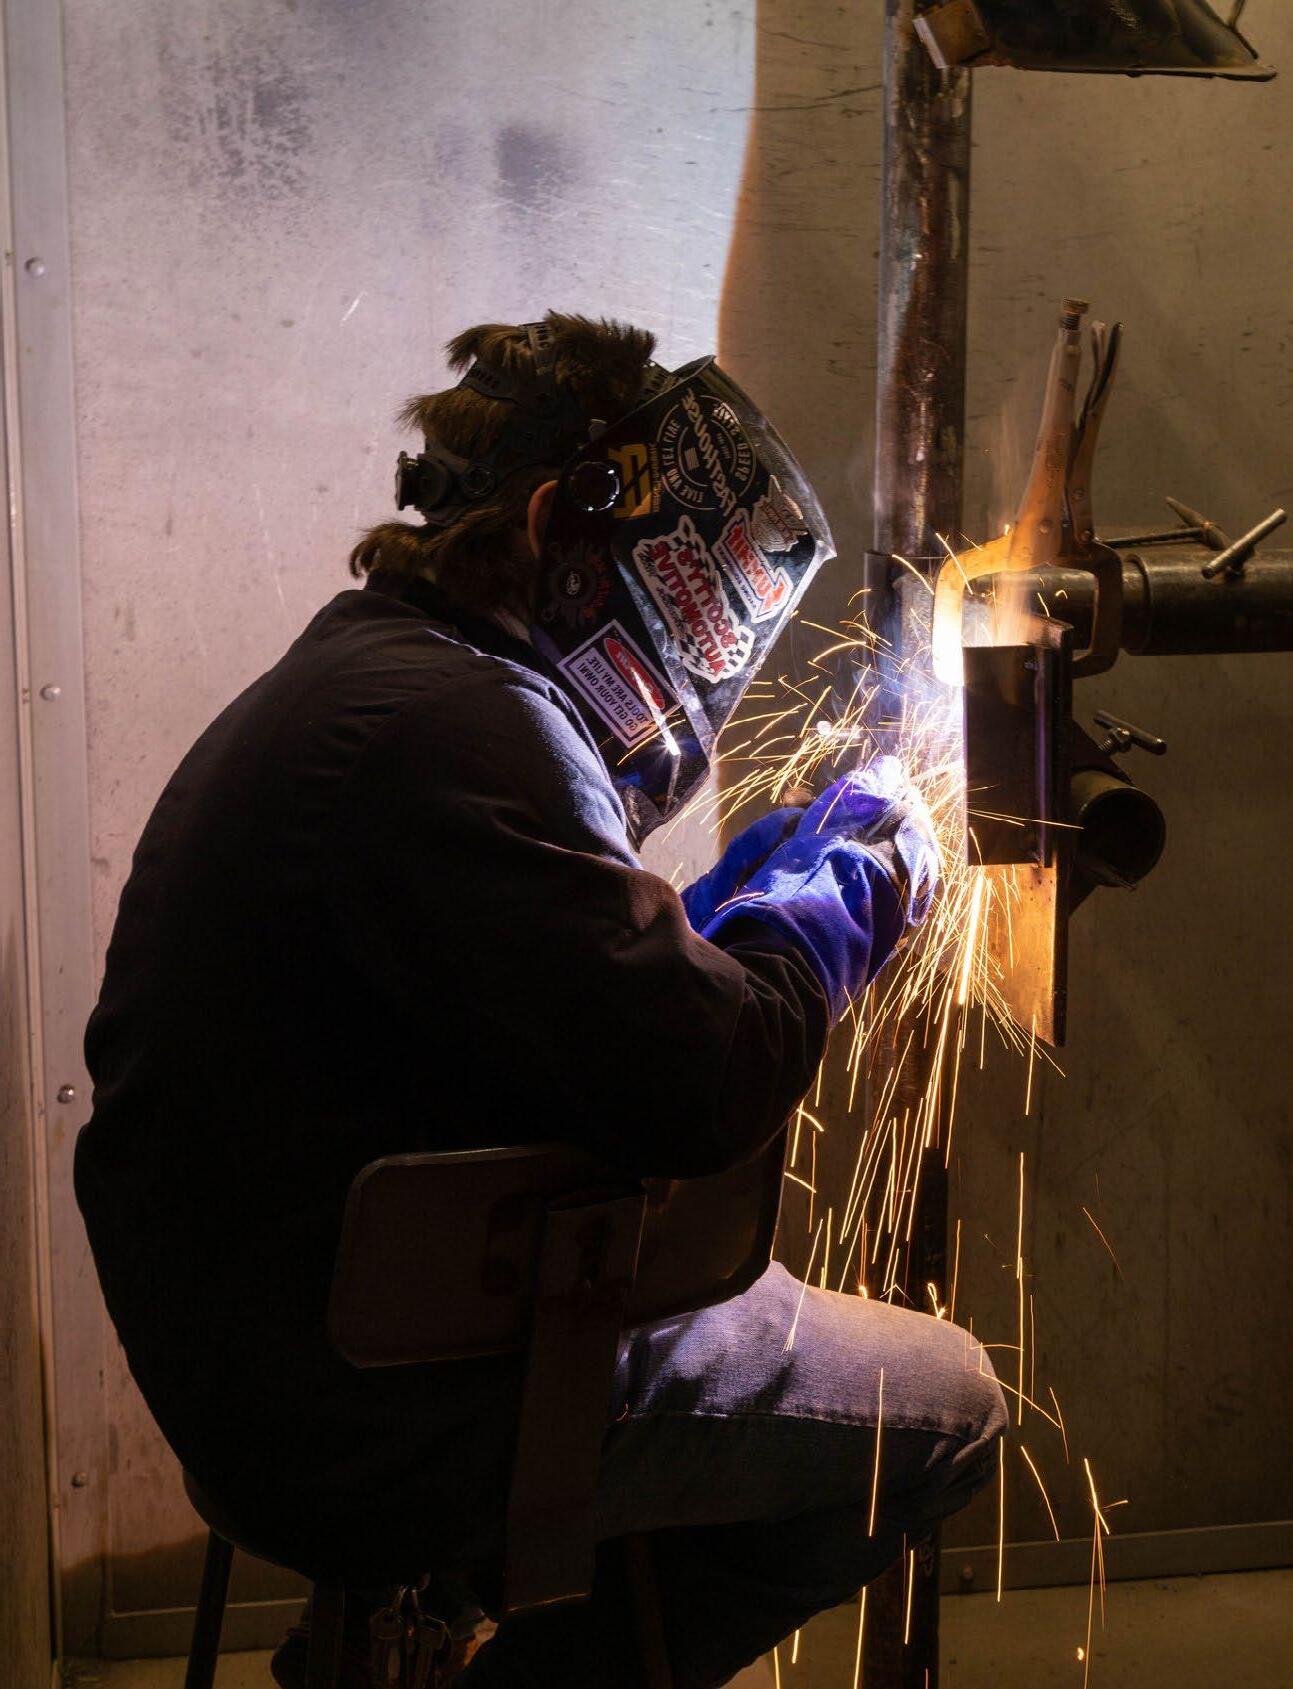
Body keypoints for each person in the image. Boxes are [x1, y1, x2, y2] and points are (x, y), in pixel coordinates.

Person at [75, 312, 1005, 1688]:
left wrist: (744, 900)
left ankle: (442, 1629)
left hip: (253, 1365)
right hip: (376, 1416)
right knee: (950, 1409)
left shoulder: (371, 685)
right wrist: (858, 886)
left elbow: (561, 993)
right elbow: (708, 1087)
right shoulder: (472, 731)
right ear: (563, 529)